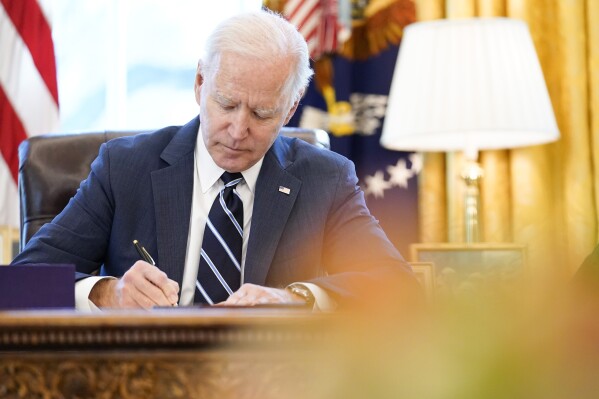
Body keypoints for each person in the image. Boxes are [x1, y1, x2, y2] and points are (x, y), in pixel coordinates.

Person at [12, 10, 417, 310]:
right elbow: (19, 284)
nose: (238, 130)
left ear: (291, 109)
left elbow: (397, 286)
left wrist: (296, 299)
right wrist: (106, 291)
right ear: (200, 84)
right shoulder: (125, 168)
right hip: (144, 375)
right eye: (226, 104)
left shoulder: (324, 179)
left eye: (261, 113)